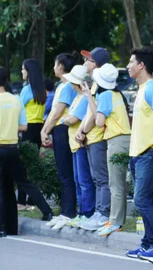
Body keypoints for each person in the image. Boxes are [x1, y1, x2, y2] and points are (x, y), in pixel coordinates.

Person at [0, 66, 53, 237]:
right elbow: (23, 126)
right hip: (12, 149)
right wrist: (8, 127)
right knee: (17, 184)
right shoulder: (16, 100)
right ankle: (13, 226)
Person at [125, 47, 153, 261]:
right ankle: (148, 244)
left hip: (149, 152)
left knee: (142, 199)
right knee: (143, 199)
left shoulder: (152, 88)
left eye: (131, 62)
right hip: (138, 153)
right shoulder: (142, 88)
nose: (128, 66)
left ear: (142, 65)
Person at [90, 63, 131, 237]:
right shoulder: (117, 94)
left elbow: (98, 121)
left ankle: (114, 222)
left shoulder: (106, 95)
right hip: (124, 139)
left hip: (116, 140)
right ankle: (116, 221)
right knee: (120, 183)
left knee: (115, 184)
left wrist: (89, 98)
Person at [41, 52, 79, 230]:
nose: (54, 67)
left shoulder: (67, 87)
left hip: (63, 130)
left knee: (66, 173)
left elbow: (57, 113)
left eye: (56, 64)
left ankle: (69, 212)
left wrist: (45, 130)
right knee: (64, 173)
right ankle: (66, 210)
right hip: (60, 130)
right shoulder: (62, 86)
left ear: (61, 67)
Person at [77, 47, 112, 231]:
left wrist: (82, 130)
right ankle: (98, 213)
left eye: (88, 60)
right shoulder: (95, 84)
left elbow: (95, 112)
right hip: (92, 136)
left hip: (98, 136)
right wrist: (82, 130)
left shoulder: (101, 85)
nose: (85, 63)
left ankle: (102, 213)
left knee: (101, 178)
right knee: (96, 177)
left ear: (96, 63)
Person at [59, 65, 95, 230]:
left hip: (80, 144)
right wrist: (67, 118)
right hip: (74, 144)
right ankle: (82, 213)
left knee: (84, 180)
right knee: (77, 179)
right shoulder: (77, 98)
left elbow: (71, 119)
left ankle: (86, 213)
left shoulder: (82, 99)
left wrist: (66, 119)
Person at [17, 59, 47, 209]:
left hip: (27, 128)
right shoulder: (41, 90)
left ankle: (21, 201)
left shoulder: (26, 90)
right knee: (33, 164)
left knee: (23, 165)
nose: (22, 72)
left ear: (28, 72)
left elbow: (19, 109)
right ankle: (32, 200)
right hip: (39, 128)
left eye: (23, 69)